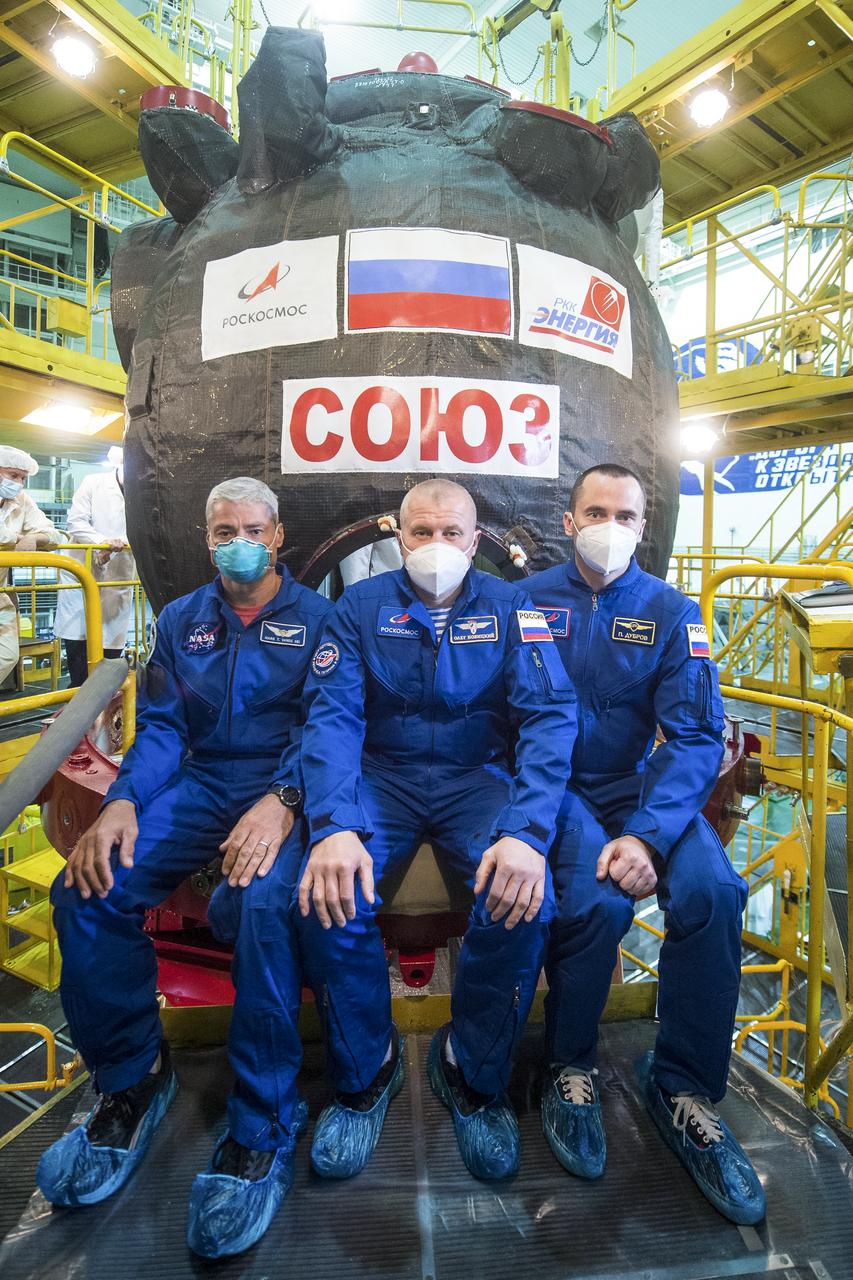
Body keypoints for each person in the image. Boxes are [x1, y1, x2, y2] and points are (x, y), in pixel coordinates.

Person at [37, 476, 333, 1259]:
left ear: (277, 537)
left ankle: (262, 1127)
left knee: (264, 908)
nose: (235, 540)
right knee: (84, 892)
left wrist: (286, 799)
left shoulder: (320, 622)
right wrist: (128, 799)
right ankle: (132, 1078)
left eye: (250, 528)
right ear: (207, 538)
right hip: (198, 785)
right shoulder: (180, 620)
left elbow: (329, 727)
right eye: (221, 528)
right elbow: (164, 724)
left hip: (278, 793)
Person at [297, 478, 577, 1182]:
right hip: (379, 779)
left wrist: (526, 830)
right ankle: (367, 1069)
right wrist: (332, 823)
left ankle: (472, 1070)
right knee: (328, 892)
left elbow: (548, 717)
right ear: (397, 535)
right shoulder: (358, 607)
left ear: (474, 540)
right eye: (421, 532)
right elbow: (331, 718)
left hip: (476, 780)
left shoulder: (514, 607)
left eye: (451, 533)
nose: (436, 546)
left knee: (525, 898)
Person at [526, 462, 764, 1225]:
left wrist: (648, 834)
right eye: (594, 511)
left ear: (642, 524)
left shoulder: (669, 609)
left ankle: (683, 1087)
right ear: (567, 522)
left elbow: (695, 734)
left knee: (714, 892)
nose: (609, 527)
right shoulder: (524, 603)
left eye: (625, 516)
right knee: (596, 903)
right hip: (558, 789)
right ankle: (568, 1068)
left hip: (639, 788)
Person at [53, 447, 135, 686]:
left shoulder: (145, 494)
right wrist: (102, 543)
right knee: (79, 652)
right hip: (81, 571)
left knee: (109, 656)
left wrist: (118, 545)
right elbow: (76, 522)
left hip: (118, 577)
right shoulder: (93, 482)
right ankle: (77, 711)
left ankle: (103, 716)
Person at [0, 445, 64, 688]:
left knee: (7, 654)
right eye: (13, 475)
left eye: (23, 478)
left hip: (0, 593)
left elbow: (55, 535)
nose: (19, 484)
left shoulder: (21, 500)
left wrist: (34, 538)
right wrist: (18, 539)